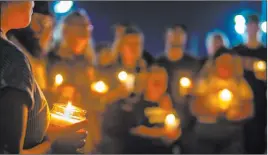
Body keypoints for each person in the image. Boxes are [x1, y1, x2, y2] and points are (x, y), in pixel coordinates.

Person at [0, 1, 87, 154]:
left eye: (48, 24)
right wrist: (54, 142)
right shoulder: (12, 59)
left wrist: (45, 129)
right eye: (39, 21)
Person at [98, 65, 180, 154]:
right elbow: (134, 131)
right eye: (156, 83)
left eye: (164, 83)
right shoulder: (133, 105)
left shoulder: (170, 105)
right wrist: (161, 133)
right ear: (146, 82)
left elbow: (176, 131)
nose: (160, 87)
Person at [189, 50, 253, 154]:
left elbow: (249, 109)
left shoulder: (240, 83)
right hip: (206, 133)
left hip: (231, 134)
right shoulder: (204, 81)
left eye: (229, 63)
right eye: (222, 62)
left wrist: (235, 114)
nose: (225, 66)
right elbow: (195, 107)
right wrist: (215, 111)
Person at [156, 24, 202, 153]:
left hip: (189, 122)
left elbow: (201, 88)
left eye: (180, 34)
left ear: (185, 38)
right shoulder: (158, 63)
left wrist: (193, 90)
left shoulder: (193, 63)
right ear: (166, 37)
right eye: (173, 34)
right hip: (162, 122)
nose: (176, 38)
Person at [233, 14, 267, 154]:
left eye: (255, 25)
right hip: (238, 104)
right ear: (245, 28)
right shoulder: (236, 51)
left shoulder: (265, 52)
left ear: (258, 28)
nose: (252, 29)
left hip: (260, 104)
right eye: (249, 25)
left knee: (257, 142)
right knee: (238, 142)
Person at [7, 1, 54, 99]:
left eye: (47, 24)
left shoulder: (42, 54)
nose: (43, 29)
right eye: (38, 21)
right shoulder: (13, 48)